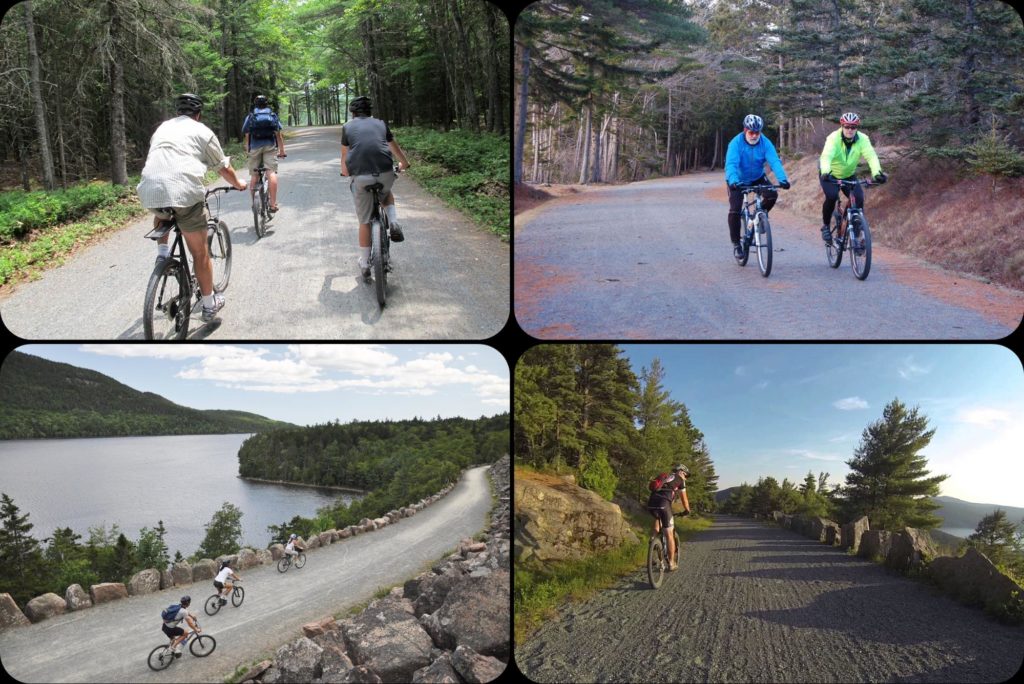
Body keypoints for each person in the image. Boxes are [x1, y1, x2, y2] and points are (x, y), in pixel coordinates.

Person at [137, 93, 247, 321]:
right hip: (184, 192)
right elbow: (222, 167)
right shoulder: (203, 132)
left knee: (163, 209)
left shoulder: (162, 128)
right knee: (199, 252)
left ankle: (162, 255)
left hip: (148, 189)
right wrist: (239, 183)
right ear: (199, 114)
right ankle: (209, 305)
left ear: (178, 113)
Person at [340, 95, 411, 279]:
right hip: (385, 172)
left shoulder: (347, 127)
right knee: (386, 193)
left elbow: (345, 158)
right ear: (370, 112)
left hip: (361, 177)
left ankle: (364, 263)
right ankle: (393, 221)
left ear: (353, 113)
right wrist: (404, 163)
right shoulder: (381, 124)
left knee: (364, 221)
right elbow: (393, 147)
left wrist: (345, 172)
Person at [724, 114, 791, 259]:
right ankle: (736, 244)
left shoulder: (765, 143)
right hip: (738, 180)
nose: (754, 135)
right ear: (745, 130)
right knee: (735, 210)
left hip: (757, 177)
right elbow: (731, 165)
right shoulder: (735, 143)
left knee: (772, 194)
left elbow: (774, 162)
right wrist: (733, 181)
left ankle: (759, 218)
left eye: (757, 132)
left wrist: (783, 179)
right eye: (751, 132)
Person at [818, 112, 887, 250]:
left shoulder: (863, 139)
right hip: (830, 175)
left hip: (848, 175)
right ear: (842, 126)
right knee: (831, 197)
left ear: (857, 128)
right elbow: (826, 156)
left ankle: (855, 235)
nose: (850, 130)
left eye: (853, 127)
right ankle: (825, 226)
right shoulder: (833, 138)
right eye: (847, 126)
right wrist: (825, 171)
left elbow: (871, 157)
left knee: (859, 199)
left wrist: (877, 173)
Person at [241, 94, 286, 212]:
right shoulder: (272, 115)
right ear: (266, 104)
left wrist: (248, 149)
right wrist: (282, 151)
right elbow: (278, 135)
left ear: (255, 104)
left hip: (254, 147)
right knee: (271, 173)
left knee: (254, 176)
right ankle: (273, 204)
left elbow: (247, 134)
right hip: (270, 146)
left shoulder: (251, 116)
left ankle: (254, 205)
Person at [646, 464, 691, 571]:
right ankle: (671, 563)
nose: (686, 477)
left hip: (651, 504)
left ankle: (653, 543)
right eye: (686, 475)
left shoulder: (665, 477)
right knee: (669, 534)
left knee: (657, 521)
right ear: (682, 472)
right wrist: (687, 510)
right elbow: (684, 500)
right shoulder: (680, 480)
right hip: (664, 505)